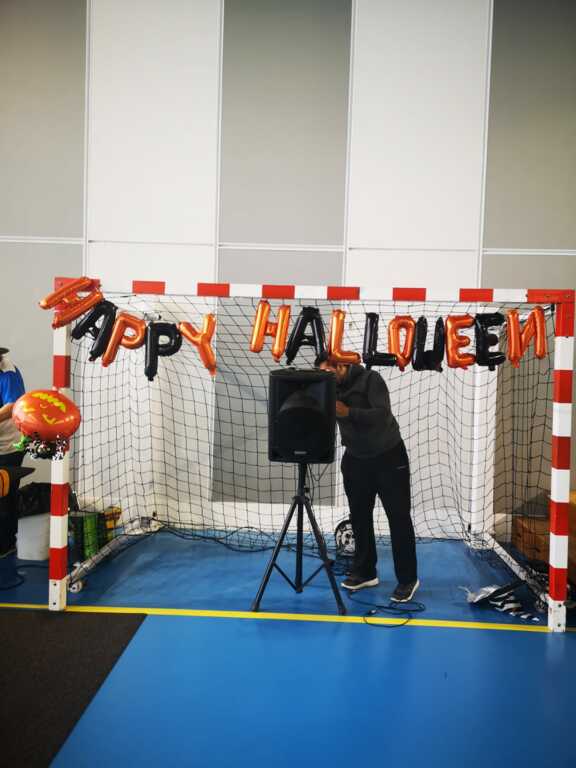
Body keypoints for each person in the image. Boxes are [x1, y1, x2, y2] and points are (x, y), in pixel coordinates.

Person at [317, 353, 419, 602]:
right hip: (355, 458)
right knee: (359, 517)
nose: (325, 378)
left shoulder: (371, 379)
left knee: (399, 517)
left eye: (328, 373)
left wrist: (348, 412)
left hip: (389, 456)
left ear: (341, 365)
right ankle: (365, 572)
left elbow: (382, 415)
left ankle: (408, 579)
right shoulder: (329, 388)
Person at [0, 347, 26, 555]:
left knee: (5, 495)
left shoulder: (7, 372)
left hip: (9, 445)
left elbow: (11, 406)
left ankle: (6, 544)